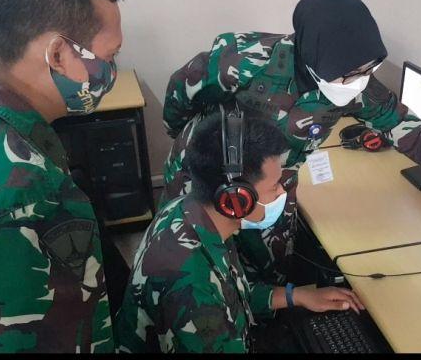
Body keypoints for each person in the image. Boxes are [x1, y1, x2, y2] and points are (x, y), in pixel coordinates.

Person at [160, 0, 421, 296]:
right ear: (314, 59)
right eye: (349, 74)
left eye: (369, 69)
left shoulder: (355, 85)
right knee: (203, 273)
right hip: (208, 177)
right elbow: (180, 94)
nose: (359, 82)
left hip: (276, 186)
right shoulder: (241, 58)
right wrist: (190, 146)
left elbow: (412, 131)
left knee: (271, 270)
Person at [116, 111, 364, 353]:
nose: (282, 193)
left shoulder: (191, 211)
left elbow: (234, 296)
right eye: (274, 187)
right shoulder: (194, 292)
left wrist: (298, 296)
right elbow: (213, 303)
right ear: (236, 199)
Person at [0, 0, 125, 353]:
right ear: (58, 54)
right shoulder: (30, 194)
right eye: (110, 56)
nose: (111, 71)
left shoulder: (21, 135)